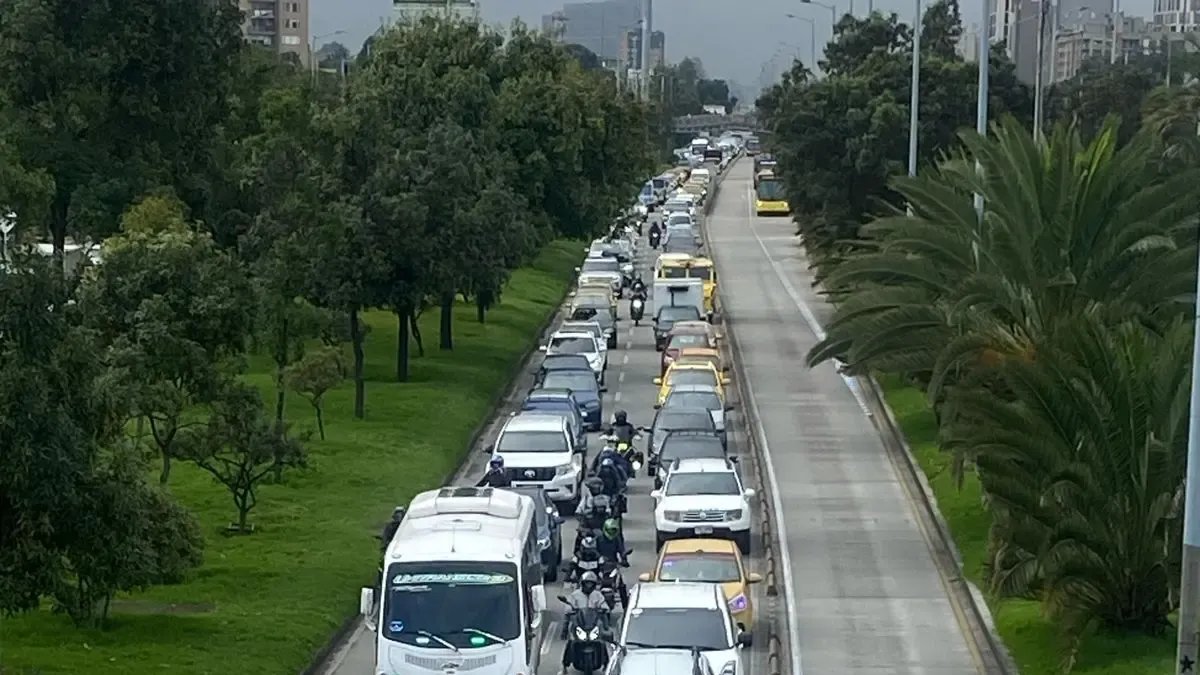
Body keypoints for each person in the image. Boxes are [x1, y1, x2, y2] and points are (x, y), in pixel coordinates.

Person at [560, 571, 609, 674]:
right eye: (587, 583)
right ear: (582, 583)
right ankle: (564, 665)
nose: (588, 586)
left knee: (602, 641)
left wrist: (603, 609)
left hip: (593, 623)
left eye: (591, 583)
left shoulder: (597, 595)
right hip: (579, 623)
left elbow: (604, 605)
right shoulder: (575, 595)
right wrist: (570, 610)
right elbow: (568, 607)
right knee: (571, 641)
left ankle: (606, 663)